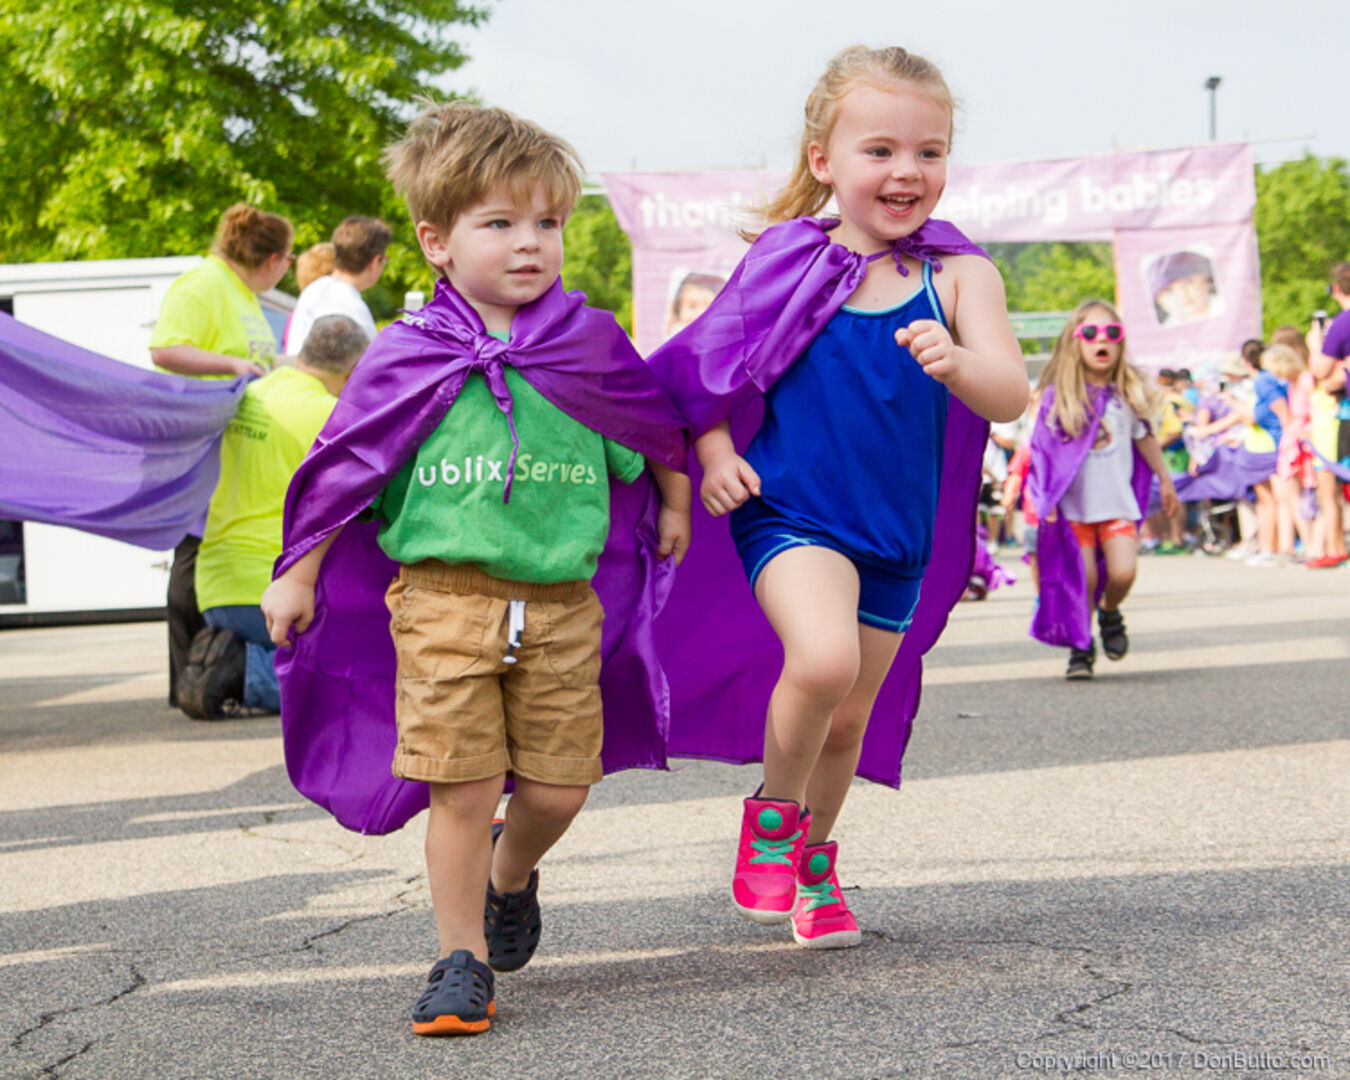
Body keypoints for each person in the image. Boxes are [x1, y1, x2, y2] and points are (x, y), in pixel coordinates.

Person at [261, 104, 690, 1037]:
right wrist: (297, 573)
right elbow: (345, 464)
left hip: (564, 604)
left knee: (558, 787)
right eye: (499, 223)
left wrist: (680, 500)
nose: (529, 244)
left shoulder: (589, 344)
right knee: (459, 784)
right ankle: (459, 960)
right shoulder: (406, 355)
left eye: (548, 223)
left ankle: (512, 869)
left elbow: (652, 424)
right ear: (436, 241)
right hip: (444, 602)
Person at [648, 45, 1028, 949]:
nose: (908, 171)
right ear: (825, 160)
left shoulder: (962, 276)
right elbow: (702, 372)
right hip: (790, 513)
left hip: (896, 533)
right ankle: (772, 822)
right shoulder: (789, 258)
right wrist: (709, 451)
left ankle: (817, 859)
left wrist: (958, 359)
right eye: (881, 150)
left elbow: (1009, 393)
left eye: (929, 151)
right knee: (822, 665)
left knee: (851, 715)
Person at [180, 316, 369, 720]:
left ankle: (238, 655)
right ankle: (243, 672)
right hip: (274, 591)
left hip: (214, 584)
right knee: (348, 682)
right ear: (354, 370)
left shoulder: (248, 393)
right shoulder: (329, 415)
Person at [148, 203, 294, 709]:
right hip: (202, 440)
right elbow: (165, 349)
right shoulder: (204, 285)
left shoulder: (244, 294)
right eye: (288, 259)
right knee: (191, 554)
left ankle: (201, 669)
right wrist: (231, 363)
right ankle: (189, 675)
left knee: (201, 547)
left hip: (232, 443)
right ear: (272, 258)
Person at [1028, 300, 1177, 679]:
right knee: (1086, 580)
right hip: (1075, 509)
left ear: (1121, 343)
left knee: (1123, 573)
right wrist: (1044, 496)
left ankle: (1109, 613)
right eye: (1091, 333)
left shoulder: (1128, 395)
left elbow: (1146, 439)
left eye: (1112, 333)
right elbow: (1043, 450)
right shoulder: (1058, 397)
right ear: (1076, 342)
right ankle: (1081, 647)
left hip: (1116, 505)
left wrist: (1164, 477)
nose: (1102, 340)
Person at [283, 216, 391, 353]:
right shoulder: (352, 308)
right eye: (385, 260)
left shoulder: (314, 289)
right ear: (375, 261)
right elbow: (370, 368)